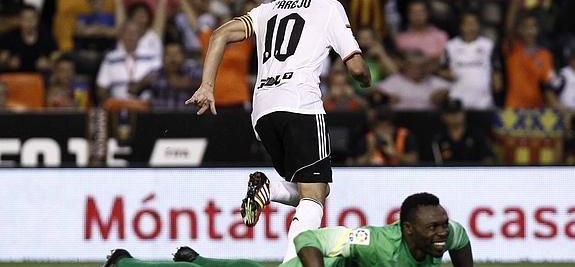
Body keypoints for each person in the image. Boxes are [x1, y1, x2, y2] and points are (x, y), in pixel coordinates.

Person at [186, 0, 370, 262]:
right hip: (300, 106)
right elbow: (354, 67)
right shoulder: (329, 7)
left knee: (311, 189)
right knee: (314, 195)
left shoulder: (266, 9)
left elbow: (219, 34)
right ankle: (292, 263)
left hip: (263, 112)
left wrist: (207, 85)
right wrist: (366, 80)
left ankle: (268, 189)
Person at [102, 192, 474, 267]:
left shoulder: (447, 232)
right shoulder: (375, 243)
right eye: (433, 227)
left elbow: (462, 239)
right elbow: (308, 238)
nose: (442, 232)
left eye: (442, 224)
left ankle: (198, 257)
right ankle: (124, 263)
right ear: (407, 229)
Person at [440, 12, 502, 110]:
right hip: (457, 102)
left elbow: (496, 73)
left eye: (474, 23)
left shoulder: (488, 45)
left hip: (483, 103)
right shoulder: (450, 46)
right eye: (468, 23)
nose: (471, 27)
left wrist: (497, 86)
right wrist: (447, 74)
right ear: (461, 26)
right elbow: (442, 69)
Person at [377, 49, 450, 111]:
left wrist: (444, 97)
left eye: (420, 67)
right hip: (400, 121)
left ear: (426, 67)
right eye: (412, 66)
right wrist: (386, 97)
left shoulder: (438, 84)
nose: (416, 70)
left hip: (428, 121)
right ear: (406, 65)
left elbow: (450, 91)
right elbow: (375, 93)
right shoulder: (393, 81)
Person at [432, 98, 495, 165]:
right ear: (443, 117)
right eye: (450, 113)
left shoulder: (477, 135)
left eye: (457, 112)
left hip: (474, 173)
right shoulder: (439, 139)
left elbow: (488, 159)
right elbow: (432, 163)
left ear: (464, 114)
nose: (454, 116)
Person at [0, 4, 57, 73]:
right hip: (13, 77)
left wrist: (48, 64)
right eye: (25, 19)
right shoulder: (9, 37)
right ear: (20, 20)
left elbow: (57, 60)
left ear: (37, 20)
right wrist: (8, 63)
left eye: (32, 18)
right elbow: (2, 59)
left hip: (39, 78)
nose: (29, 22)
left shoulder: (47, 37)